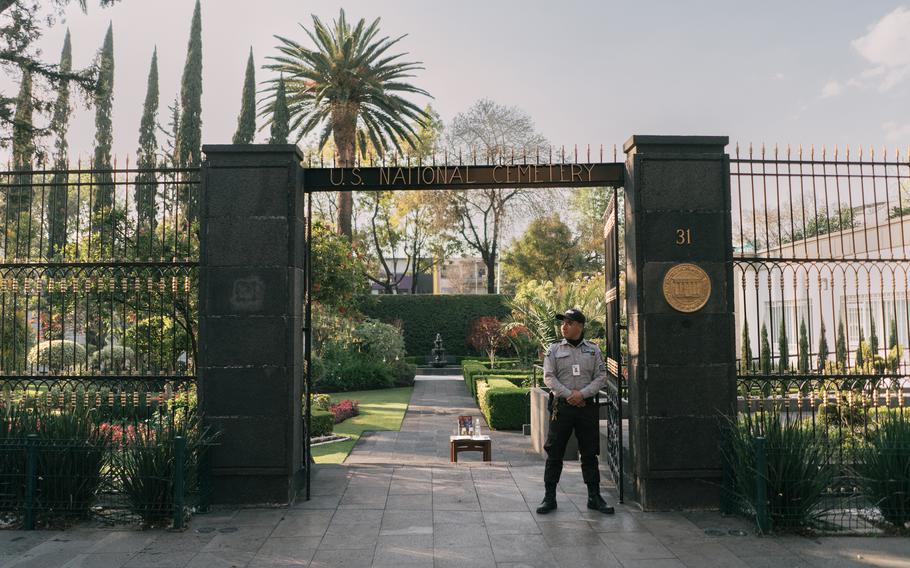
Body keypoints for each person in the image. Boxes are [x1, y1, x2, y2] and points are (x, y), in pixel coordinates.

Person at [536, 308, 615, 515]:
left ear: (579, 326)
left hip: (586, 408)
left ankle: (594, 497)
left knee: (589, 453)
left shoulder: (593, 350)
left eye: (568, 323)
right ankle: (549, 497)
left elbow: (601, 376)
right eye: (562, 323)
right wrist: (570, 395)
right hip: (561, 408)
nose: (564, 326)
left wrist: (583, 394)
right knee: (555, 453)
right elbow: (549, 377)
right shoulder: (553, 350)